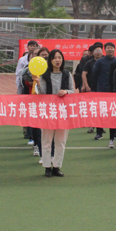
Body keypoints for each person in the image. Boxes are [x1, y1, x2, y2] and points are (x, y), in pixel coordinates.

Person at [36, 49, 75, 177]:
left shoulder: (67, 74)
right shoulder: (45, 75)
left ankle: (57, 166)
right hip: (48, 111)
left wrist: (66, 92)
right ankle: (47, 166)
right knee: (46, 141)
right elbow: (42, 93)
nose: (58, 60)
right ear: (50, 60)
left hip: (63, 112)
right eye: (55, 58)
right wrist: (37, 82)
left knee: (60, 141)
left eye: (60, 57)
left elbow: (72, 91)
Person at [92, 42, 116, 145]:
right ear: (105, 50)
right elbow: (94, 75)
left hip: (114, 91)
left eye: (112, 48)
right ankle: (99, 132)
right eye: (108, 48)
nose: (110, 49)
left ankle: (114, 133)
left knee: (114, 112)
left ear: (114, 49)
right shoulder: (100, 61)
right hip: (102, 90)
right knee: (100, 112)